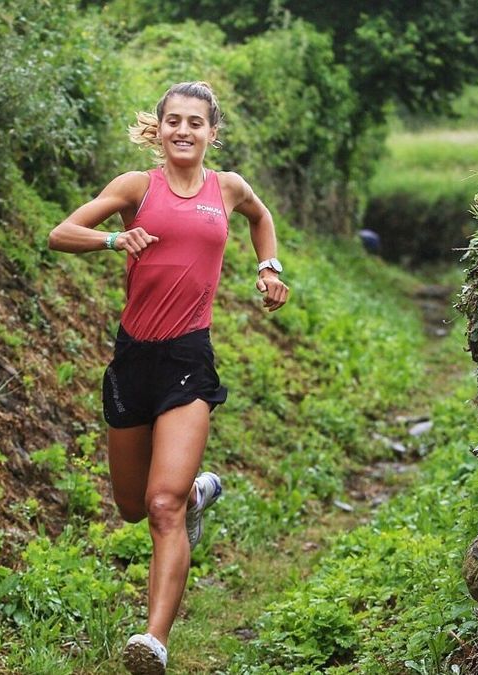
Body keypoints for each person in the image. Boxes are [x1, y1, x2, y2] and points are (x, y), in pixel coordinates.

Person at [47, 81, 289, 674]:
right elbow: (61, 233)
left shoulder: (226, 189)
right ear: (158, 130)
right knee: (132, 506)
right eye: (173, 121)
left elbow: (261, 217)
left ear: (212, 132)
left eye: (195, 122)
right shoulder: (137, 188)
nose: (184, 130)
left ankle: (152, 641)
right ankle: (201, 491)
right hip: (132, 360)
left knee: (162, 506)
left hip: (187, 359)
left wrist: (269, 266)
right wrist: (113, 237)